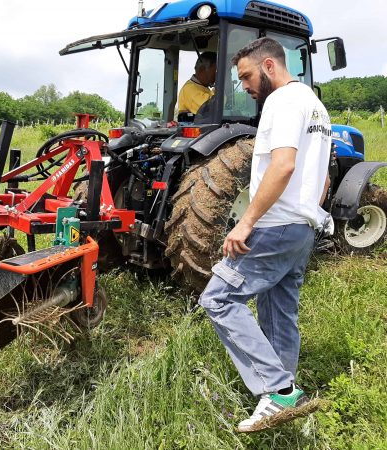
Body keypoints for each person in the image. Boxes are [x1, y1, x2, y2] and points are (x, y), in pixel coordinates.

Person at [198, 37, 332, 433]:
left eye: (246, 76)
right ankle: (284, 399)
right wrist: (307, 212)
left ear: (270, 66)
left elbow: (284, 164)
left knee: (218, 299)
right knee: (278, 313)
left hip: (275, 227)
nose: (244, 86)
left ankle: (278, 390)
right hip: (301, 229)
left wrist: (246, 221)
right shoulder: (316, 106)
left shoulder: (283, 101)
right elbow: (321, 175)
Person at [177, 51, 217, 116]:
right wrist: (221, 87)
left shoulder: (204, 88)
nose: (217, 75)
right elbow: (211, 110)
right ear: (202, 70)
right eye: (215, 71)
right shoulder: (189, 89)